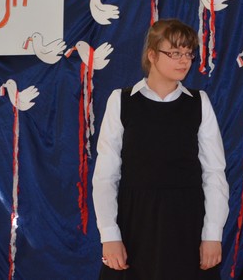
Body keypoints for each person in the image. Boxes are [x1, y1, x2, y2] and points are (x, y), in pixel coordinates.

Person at [92, 19, 229, 279]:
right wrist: (109, 234)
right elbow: (105, 176)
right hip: (134, 223)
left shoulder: (199, 103)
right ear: (152, 55)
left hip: (187, 223)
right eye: (175, 53)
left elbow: (214, 173)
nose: (184, 60)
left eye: (188, 53)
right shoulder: (121, 101)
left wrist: (212, 234)